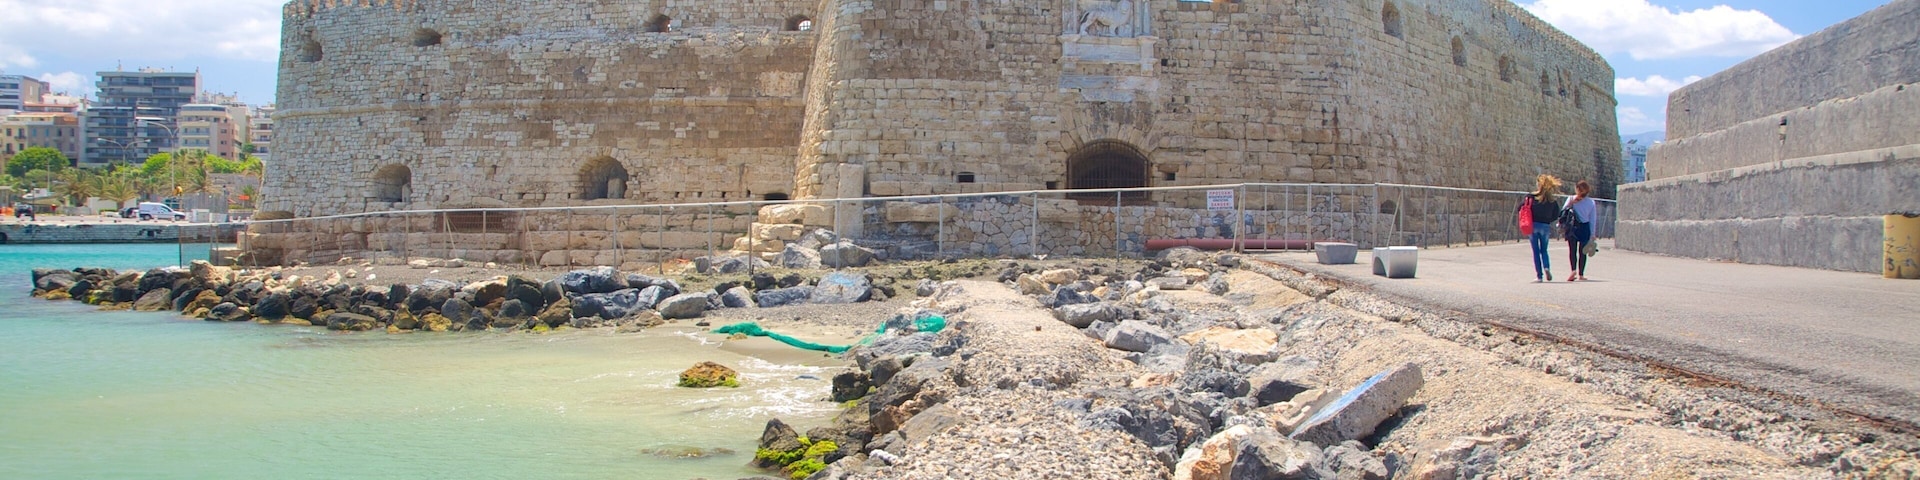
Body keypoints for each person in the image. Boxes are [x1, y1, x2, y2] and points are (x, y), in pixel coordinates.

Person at [1518, 175, 1562, 282]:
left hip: (1533, 225)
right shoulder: (1551, 200)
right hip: (1545, 226)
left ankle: (1539, 276)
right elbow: (1556, 214)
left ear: (1539, 184)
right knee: (1544, 250)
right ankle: (1546, 267)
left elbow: (1520, 207)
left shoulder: (1531, 197)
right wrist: (1547, 220)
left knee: (1536, 251)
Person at [1562, 180, 1598, 281]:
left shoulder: (1571, 199)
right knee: (1583, 251)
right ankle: (1581, 274)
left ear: (1577, 189)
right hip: (1585, 227)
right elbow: (1592, 219)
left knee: (1572, 250)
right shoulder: (1591, 202)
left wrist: (1571, 203)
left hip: (1572, 226)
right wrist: (1593, 233)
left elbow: (1563, 211)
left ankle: (1573, 270)